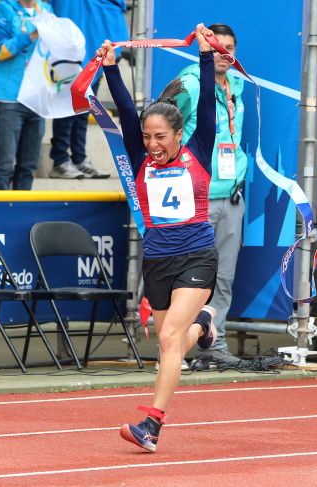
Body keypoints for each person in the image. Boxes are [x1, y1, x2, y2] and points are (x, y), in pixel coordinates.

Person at [98, 23, 218, 453]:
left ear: (178, 135)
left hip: (197, 255)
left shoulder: (199, 146)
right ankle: (204, 326)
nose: (152, 144)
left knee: (168, 341)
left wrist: (205, 57)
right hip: (158, 260)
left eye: (160, 137)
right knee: (172, 339)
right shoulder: (139, 153)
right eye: (147, 137)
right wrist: (111, 69)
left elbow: (207, 103)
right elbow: (126, 113)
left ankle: (152, 424)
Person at [175, 23, 247, 369]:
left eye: (229, 47)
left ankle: (212, 349)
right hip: (196, 199)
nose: (224, 52)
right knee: (186, 275)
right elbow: (160, 125)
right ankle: (173, 346)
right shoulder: (190, 83)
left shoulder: (237, 87)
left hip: (231, 197)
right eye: (217, 46)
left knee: (224, 278)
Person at [48, 0, 127, 179]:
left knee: (85, 107)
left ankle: (79, 158)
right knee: (68, 106)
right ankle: (60, 160)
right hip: (70, 48)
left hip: (96, 43)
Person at [0, 0, 52, 190]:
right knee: (5, 164)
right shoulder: (3, 9)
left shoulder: (46, 10)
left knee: (28, 166)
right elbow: (1, 51)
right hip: (8, 98)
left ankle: (22, 215)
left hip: (36, 98)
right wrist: (32, 36)